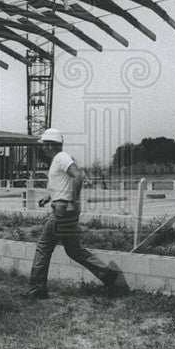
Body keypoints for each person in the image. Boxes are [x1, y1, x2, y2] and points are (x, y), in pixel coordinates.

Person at [27, 128, 126, 299]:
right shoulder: (59, 159)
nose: (42, 148)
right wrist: (49, 196)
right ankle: (107, 275)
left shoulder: (61, 158)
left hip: (62, 212)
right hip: (67, 211)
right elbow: (63, 184)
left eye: (44, 145)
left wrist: (71, 200)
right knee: (73, 250)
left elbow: (78, 176)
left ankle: (37, 290)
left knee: (43, 248)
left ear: (50, 145)